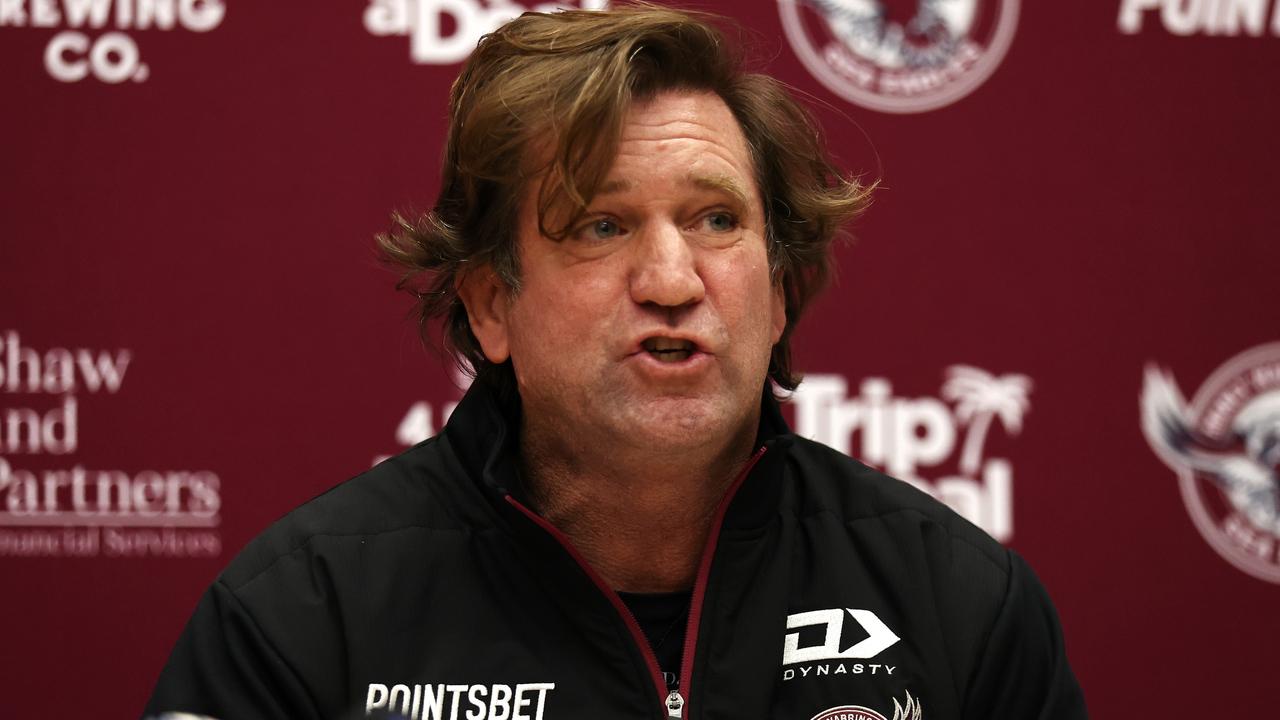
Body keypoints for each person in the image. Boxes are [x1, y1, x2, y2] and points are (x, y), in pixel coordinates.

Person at [145, 5, 1086, 720]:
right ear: (490, 303)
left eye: (717, 220)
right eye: (601, 225)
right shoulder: (304, 623)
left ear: (782, 292)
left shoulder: (960, 609)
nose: (673, 279)